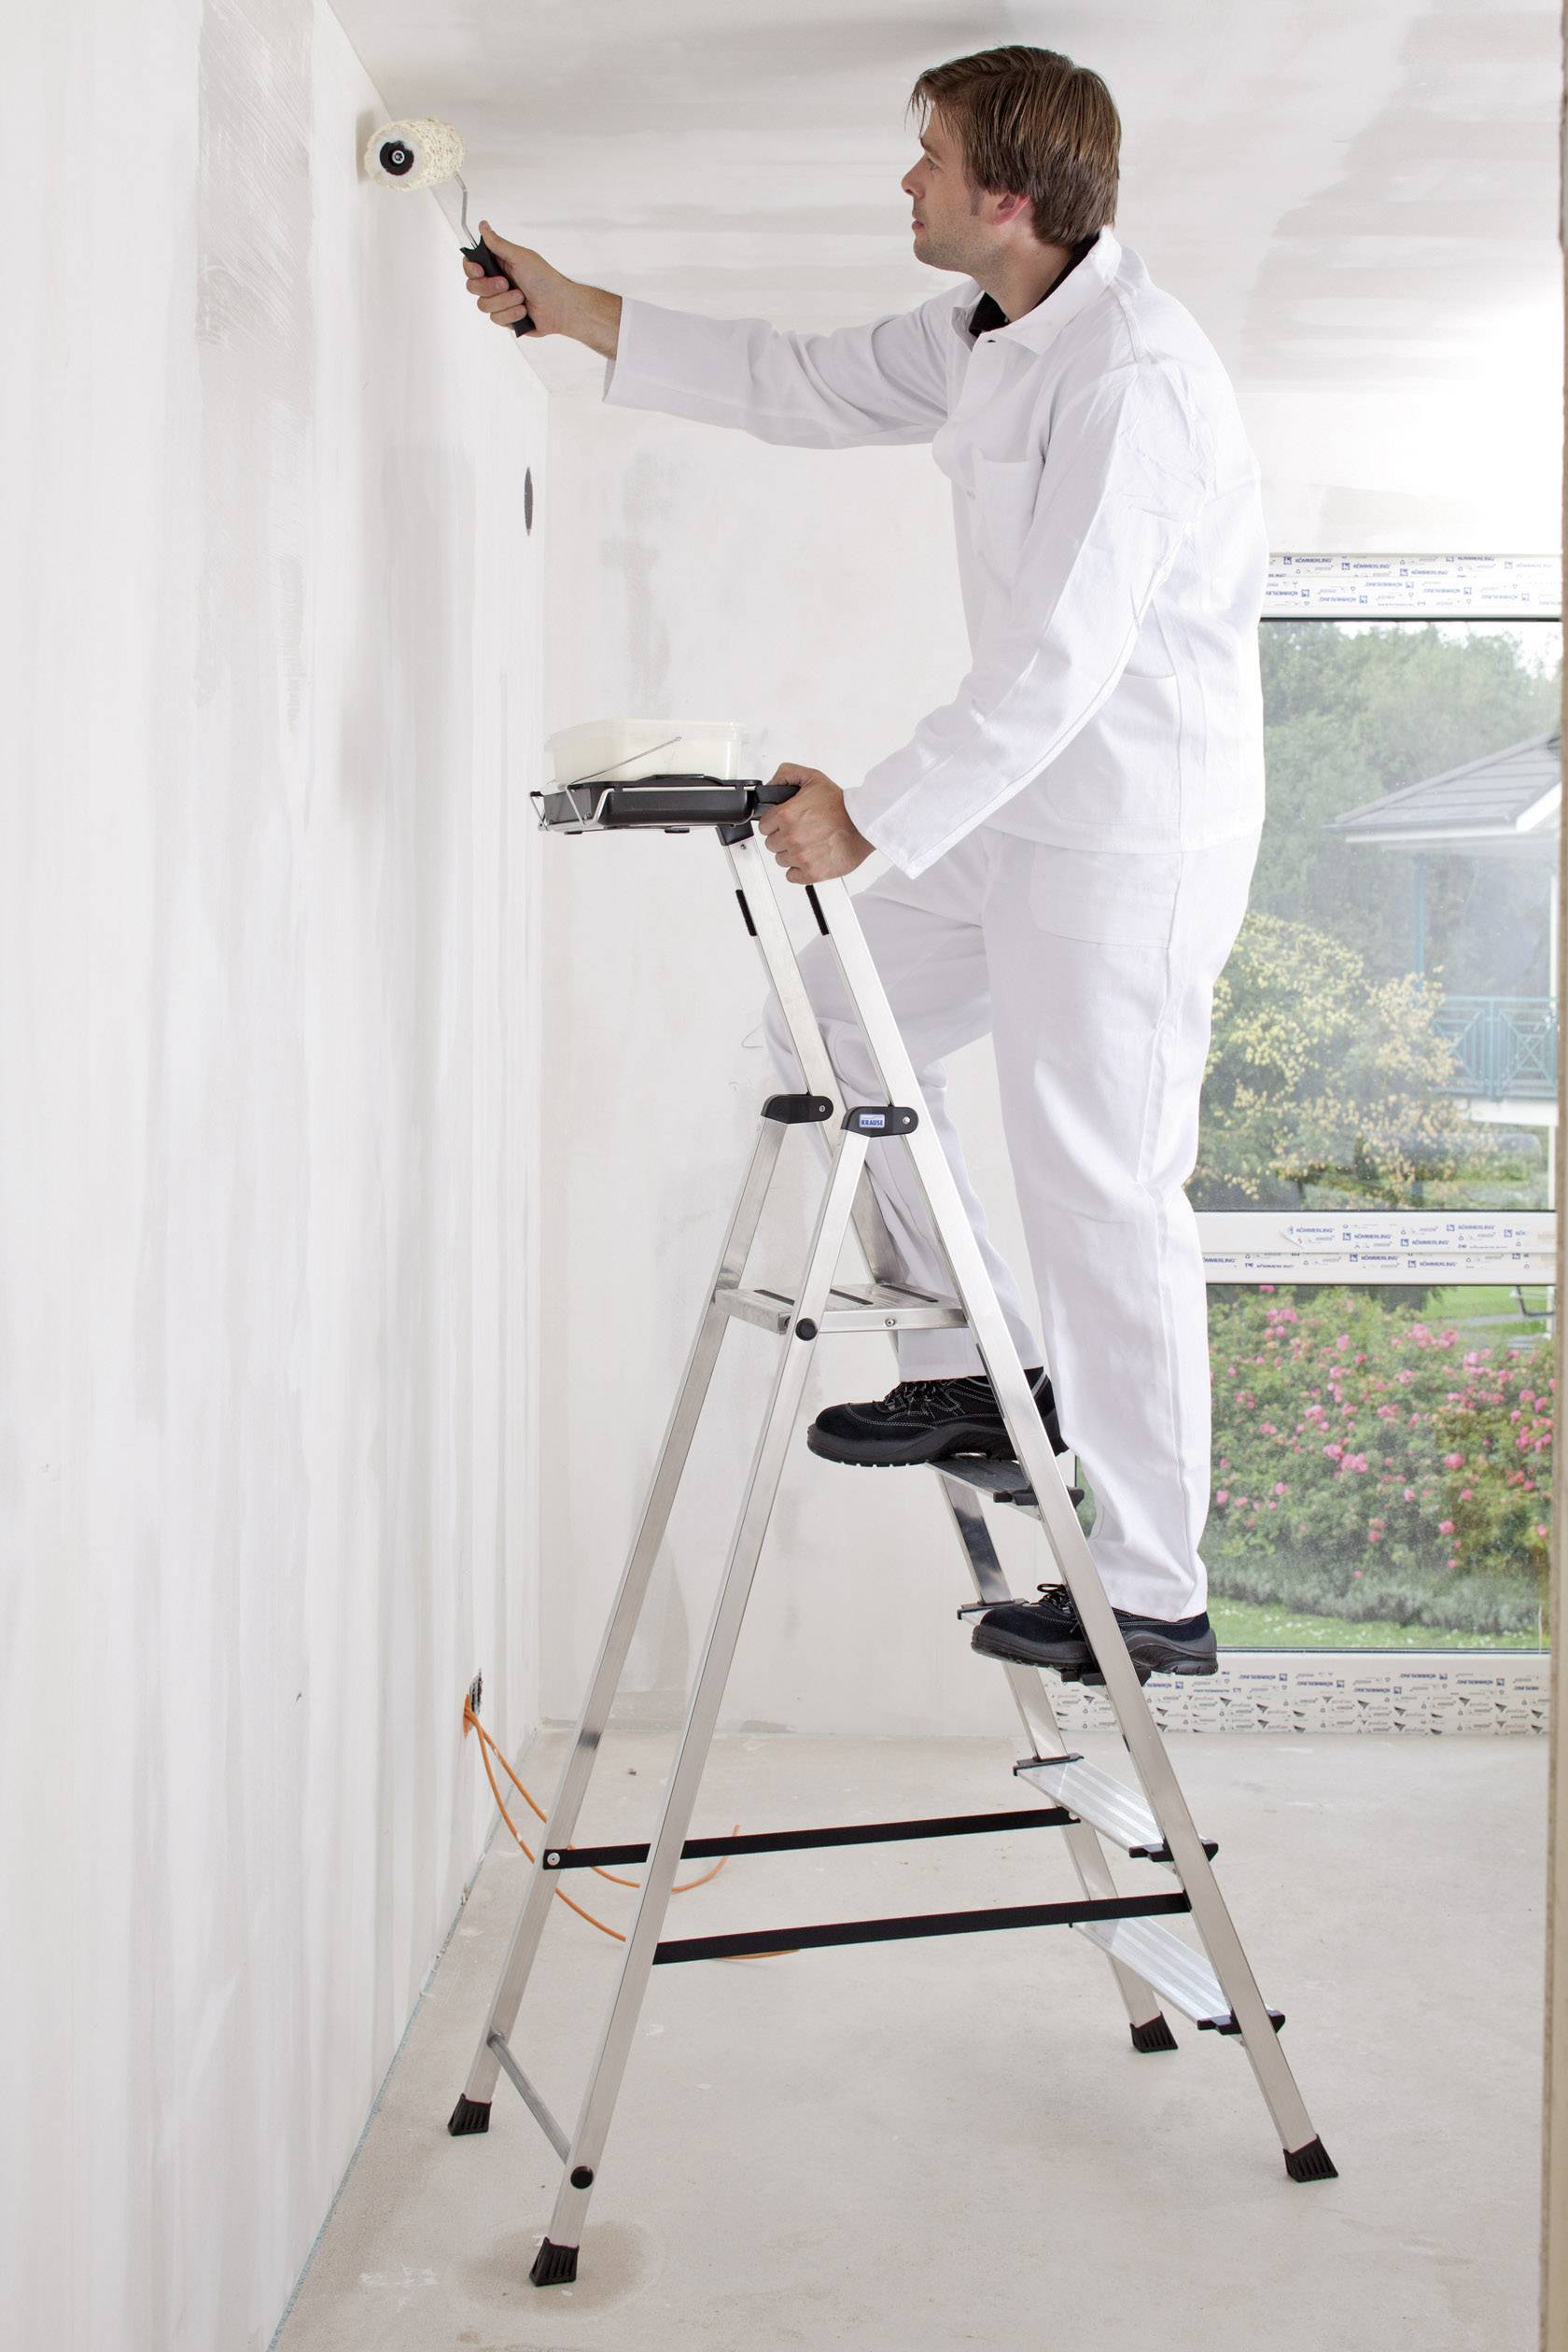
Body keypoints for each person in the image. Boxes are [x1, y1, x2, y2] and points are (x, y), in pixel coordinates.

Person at [464, 44, 1267, 1686]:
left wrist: (876, 812)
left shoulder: (1133, 376)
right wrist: (570, 305)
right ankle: (990, 1366)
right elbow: (801, 382)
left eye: (929, 159)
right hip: (1024, 818)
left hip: (1128, 833)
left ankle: (1158, 1583)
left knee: (1102, 1183)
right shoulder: (989, 331)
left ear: (1009, 198)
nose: (903, 182)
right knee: (831, 1012)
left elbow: (1062, 662)